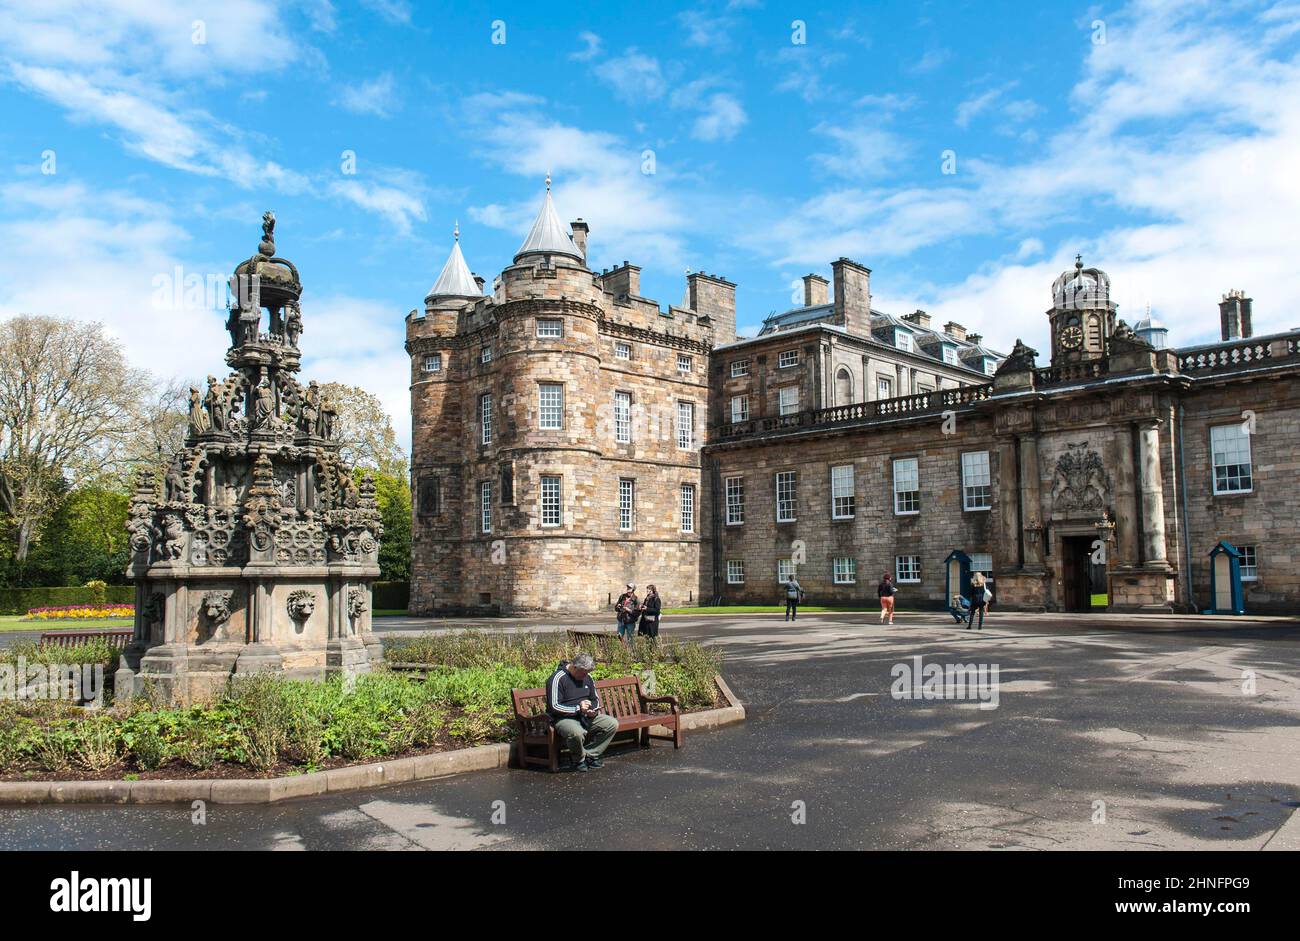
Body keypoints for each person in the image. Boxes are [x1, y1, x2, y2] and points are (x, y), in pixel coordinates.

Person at [545, 653, 618, 772]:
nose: (585, 676)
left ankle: (590, 755)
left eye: (587, 673)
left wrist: (593, 710)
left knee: (612, 724)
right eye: (583, 672)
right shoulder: (557, 678)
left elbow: (595, 699)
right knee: (576, 732)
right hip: (563, 718)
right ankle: (578, 759)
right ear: (574, 667)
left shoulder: (587, 677)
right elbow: (554, 706)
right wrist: (578, 708)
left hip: (585, 716)